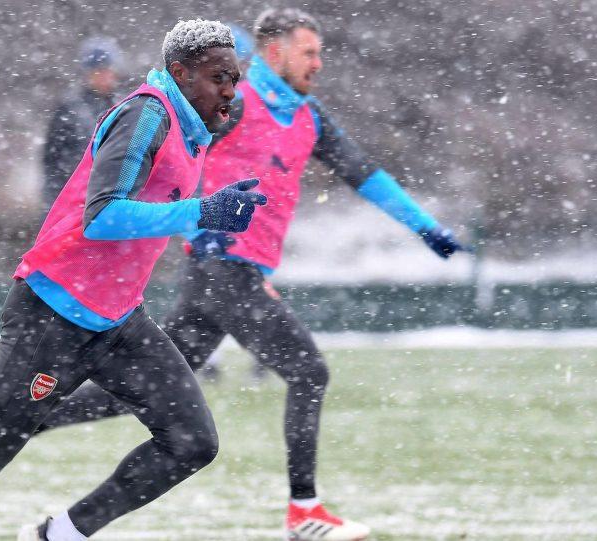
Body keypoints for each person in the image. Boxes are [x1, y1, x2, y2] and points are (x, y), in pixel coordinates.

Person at [39, 8, 469, 541]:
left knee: (153, 392)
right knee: (310, 372)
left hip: (226, 276)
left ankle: (33, 435)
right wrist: (188, 224)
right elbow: (169, 156)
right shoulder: (234, 106)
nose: (318, 62)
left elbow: (365, 174)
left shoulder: (311, 118)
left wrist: (425, 228)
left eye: (319, 52)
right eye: (308, 52)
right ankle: (304, 514)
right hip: (220, 271)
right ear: (274, 52)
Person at [0, 19, 265, 541]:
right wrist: (202, 211)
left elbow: (161, 209)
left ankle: (58, 536)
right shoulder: (146, 115)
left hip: (117, 321)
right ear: (179, 74)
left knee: (191, 442)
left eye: (235, 78)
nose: (230, 89)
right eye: (219, 77)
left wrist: (210, 229)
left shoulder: (192, 130)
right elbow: (103, 216)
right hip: (51, 317)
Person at [41, 37, 121, 207]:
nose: (105, 76)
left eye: (108, 70)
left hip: (112, 204)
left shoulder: (122, 106)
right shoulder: (70, 109)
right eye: (98, 71)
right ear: (88, 74)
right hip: (76, 202)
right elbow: (53, 164)